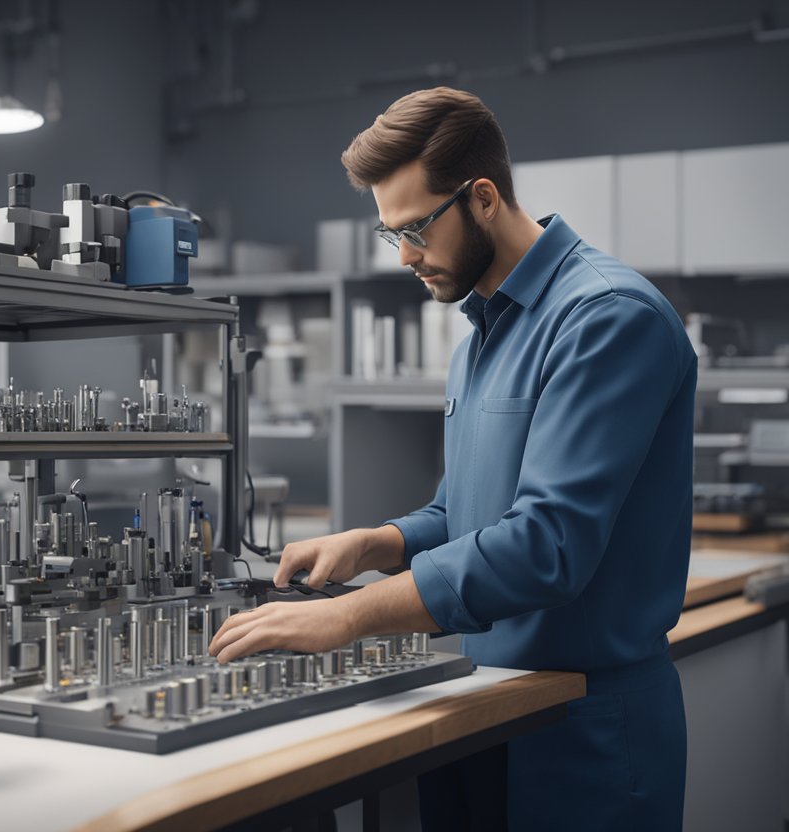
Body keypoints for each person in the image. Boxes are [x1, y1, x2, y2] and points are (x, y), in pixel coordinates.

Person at [208, 87, 696, 831]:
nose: (404, 255)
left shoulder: (606, 320)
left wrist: (352, 618)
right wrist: (381, 543)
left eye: (415, 229)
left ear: (484, 198)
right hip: (483, 707)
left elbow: (545, 545)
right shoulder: (480, 336)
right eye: (388, 233)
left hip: (583, 733)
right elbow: (465, 511)